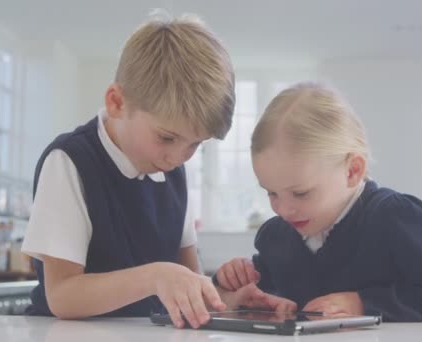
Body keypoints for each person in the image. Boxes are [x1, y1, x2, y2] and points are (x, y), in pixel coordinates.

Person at [21, 12, 295, 328]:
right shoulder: (70, 161)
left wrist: (227, 302)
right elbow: (63, 296)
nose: (178, 158)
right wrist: (155, 276)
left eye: (196, 144)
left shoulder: (173, 171)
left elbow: (188, 280)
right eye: (166, 137)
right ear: (116, 102)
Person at [214, 82, 422, 322]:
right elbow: (265, 294)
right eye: (271, 193)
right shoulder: (276, 237)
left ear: (352, 171)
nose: (282, 210)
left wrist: (362, 303)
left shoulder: (394, 217)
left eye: (301, 193)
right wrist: (237, 287)